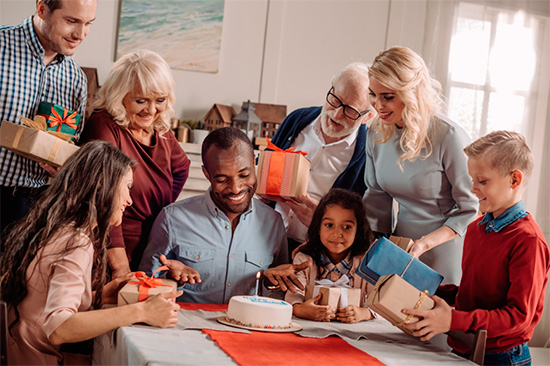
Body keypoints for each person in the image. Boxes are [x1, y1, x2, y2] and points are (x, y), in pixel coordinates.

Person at [0, 141, 181, 365]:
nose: (129, 200)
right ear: (100, 185)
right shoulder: (76, 242)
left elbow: (42, 299)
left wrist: (104, 294)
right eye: (127, 186)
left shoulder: (57, 230)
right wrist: (142, 311)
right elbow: (59, 327)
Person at [403, 131, 550, 366]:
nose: (473, 189)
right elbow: (475, 295)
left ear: (514, 180)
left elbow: (518, 317)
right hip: (464, 349)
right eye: (472, 180)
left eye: (482, 181)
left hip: (503, 358)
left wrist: (453, 321)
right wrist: (429, 288)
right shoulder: (476, 229)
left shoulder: (528, 241)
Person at [140, 127, 309, 304]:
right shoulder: (172, 219)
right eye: (222, 180)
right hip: (187, 326)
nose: (236, 188)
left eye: (244, 175)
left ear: (254, 161)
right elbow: (145, 285)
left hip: (248, 327)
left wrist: (271, 283)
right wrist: (172, 279)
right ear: (207, 174)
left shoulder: (274, 222)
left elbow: (274, 293)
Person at [362, 46, 478, 284]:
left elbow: (470, 207)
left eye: (388, 97)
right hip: (402, 248)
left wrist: (426, 242)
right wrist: (365, 246)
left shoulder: (448, 135)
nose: (378, 105)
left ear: (411, 92)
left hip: (445, 248)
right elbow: (376, 198)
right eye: (373, 94)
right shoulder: (375, 133)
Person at [79, 49, 190, 276]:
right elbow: (103, 201)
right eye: (141, 101)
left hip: (151, 245)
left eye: (160, 100)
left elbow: (182, 167)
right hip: (109, 249)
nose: (151, 110)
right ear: (120, 95)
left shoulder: (159, 129)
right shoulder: (104, 126)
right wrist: (120, 267)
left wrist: (159, 211)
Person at [0, 0, 96, 246]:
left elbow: (69, 145)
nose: (80, 34)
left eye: (88, 24)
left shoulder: (76, 79)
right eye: (72, 21)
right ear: (42, 9)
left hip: (32, 206)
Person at [270, 62, 375, 254]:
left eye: (350, 111)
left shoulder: (369, 156)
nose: (336, 114)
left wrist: (323, 219)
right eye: (335, 99)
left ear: (367, 117)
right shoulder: (296, 120)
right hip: (265, 239)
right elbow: (266, 167)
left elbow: (363, 229)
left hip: (314, 254)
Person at [285, 188, 375, 323]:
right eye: (329, 225)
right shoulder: (304, 258)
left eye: (346, 227)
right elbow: (294, 296)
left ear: (358, 231)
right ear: (318, 227)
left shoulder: (366, 261)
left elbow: (379, 300)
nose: (337, 233)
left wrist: (364, 313)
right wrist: (301, 310)